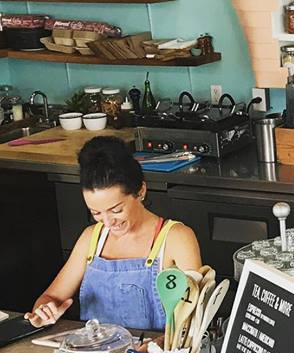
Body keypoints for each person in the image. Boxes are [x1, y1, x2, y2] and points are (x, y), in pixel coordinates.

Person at [27, 136, 201, 331]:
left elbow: (194, 319)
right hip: (95, 350)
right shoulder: (91, 238)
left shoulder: (176, 238)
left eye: (116, 210)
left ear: (141, 191)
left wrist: (158, 344)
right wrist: (43, 312)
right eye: (96, 213)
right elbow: (50, 297)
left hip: (151, 350)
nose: (108, 222)